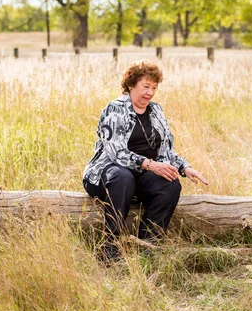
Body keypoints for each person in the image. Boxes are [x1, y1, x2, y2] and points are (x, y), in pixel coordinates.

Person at [83, 60, 208, 262]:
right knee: (123, 177)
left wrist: (185, 167)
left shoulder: (156, 111)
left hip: (141, 175)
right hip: (108, 173)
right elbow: (116, 153)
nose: (150, 92)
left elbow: (166, 151)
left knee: (170, 184)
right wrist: (150, 164)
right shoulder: (115, 109)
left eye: (154, 88)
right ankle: (111, 248)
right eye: (146, 86)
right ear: (131, 85)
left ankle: (148, 247)